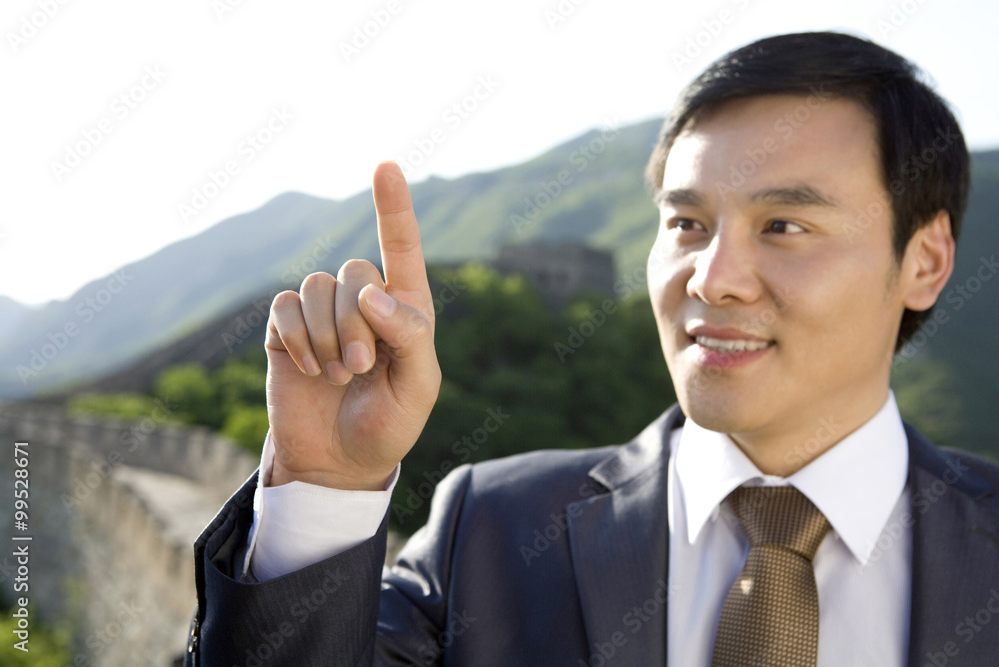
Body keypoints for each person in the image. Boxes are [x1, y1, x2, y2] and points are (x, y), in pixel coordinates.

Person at [185, 31, 999, 666]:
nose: (713, 280)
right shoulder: (495, 532)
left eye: (784, 225)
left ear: (924, 261)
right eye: (686, 224)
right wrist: (325, 486)